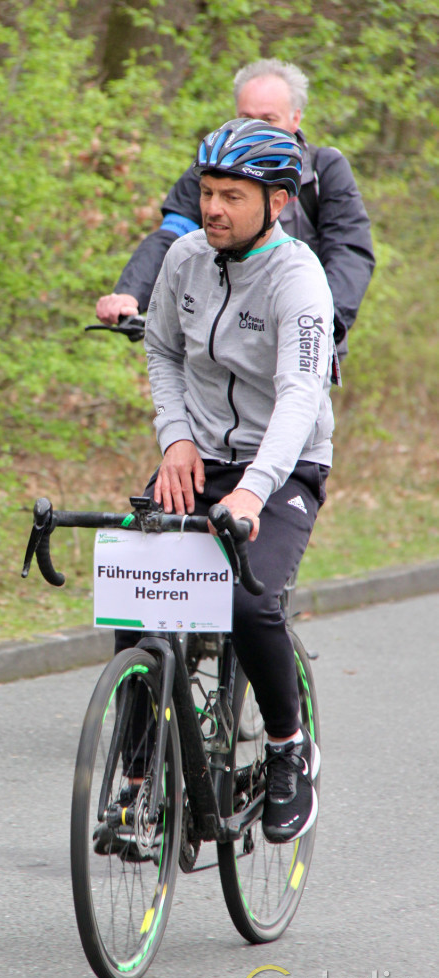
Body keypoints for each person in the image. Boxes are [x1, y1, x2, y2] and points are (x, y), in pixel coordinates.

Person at [117, 118, 332, 844]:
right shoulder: (185, 258)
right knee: (134, 589)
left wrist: (253, 489)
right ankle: (137, 779)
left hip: (284, 465)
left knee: (248, 599)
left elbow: (300, 394)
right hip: (199, 454)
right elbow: (162, 350)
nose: (212, 208)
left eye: (231, 196)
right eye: (207, 192)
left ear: (277, 203)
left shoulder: (299, 279)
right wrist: (176, 439)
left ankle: (286, 748)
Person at [96, 58, 374, 360]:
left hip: (295, 341)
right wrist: (130, 293)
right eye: (246, 118)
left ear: (295, 119)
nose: (255, 129)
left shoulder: (324, 171)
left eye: (268, 119)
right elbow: (172, 235)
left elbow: (349, 252)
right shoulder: (211, 171)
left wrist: (318, 321)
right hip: (217, 342)